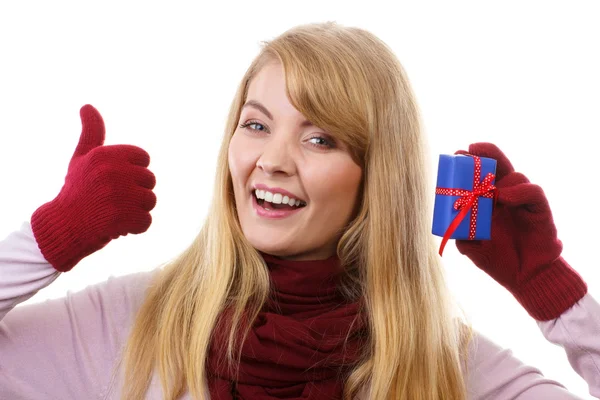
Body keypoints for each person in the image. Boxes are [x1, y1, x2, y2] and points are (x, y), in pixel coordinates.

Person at [0, 21, 598, 400]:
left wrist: (552, 291)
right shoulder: (132, 323)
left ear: (377, 180)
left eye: (321, 139)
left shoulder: (441, 365)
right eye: (256, 125)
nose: (272, 160)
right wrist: (49, 239)